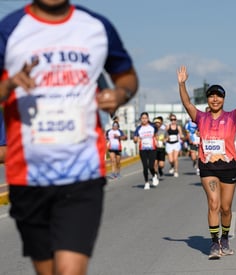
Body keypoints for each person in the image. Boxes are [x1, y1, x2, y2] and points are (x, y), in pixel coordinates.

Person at [0, 1, 139, 274]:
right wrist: (9, 84)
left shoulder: (96, 27)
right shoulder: (9, 30)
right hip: (28, 174)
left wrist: (120, 94)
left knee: (69, 270)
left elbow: (127, 77)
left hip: (82, 171)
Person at [177, 65, 236, 259]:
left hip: (229, 166)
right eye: (211, 96)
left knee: (226, 208)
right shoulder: (200, 117)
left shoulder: (233, 117)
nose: (215, 99)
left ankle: (225, 238)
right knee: (213, 204)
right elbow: (187, 104)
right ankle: (214, 244)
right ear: (207, 99)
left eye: (219, 96)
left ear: (223, 99)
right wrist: (182, 84)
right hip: (208, 167)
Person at [133, 112, 159, 190]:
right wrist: (135, 139)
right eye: (142, 118)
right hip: (143, 149)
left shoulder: (152, 127)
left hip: (152, 149)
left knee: (151, 166)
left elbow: (156, 134)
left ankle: (154, 175)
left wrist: (156, 140)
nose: (144, 120)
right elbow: (135, 139)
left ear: (148, 119)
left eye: (145, 118)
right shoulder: (138, 128)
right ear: (141, 119)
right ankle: (146, 182)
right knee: (145, 167)